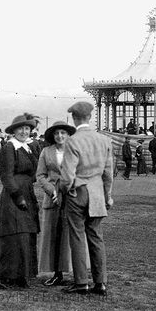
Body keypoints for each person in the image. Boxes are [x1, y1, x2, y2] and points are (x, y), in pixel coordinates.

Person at [59, 101, 113, 296]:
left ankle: (81, 282)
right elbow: (108, 173)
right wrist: (107, 195)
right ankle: (101, 283)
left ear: (74, 118)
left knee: (77, 237)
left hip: (78, 192)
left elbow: (67, 176)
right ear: (90, 117)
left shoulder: (72, 141)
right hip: (97, 193)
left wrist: (66, 190)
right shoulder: (104, 140)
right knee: (96, 237)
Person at [0, 114, 41, 289]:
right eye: (20, 128)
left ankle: (22, 274)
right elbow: (6, 175)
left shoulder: (27, 148)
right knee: (13, 235)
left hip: (27, 193)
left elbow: (34, 172)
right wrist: (18, 197)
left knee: (26, 234)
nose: (24, 131)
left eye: (27, 128)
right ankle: (7, 276)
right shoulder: (9, 147)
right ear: (13, 131)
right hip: (13, 197)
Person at [35, 120, 77, 287]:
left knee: (71, 235)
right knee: (53, 236)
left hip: (71, 198)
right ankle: (56, 273)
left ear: (68, 135)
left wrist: (67, 189)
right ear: (53, 136)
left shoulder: (74, 151)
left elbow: (80, 173)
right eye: (56, 133)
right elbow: (40, 175)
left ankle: (75, 272)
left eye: (63, 133)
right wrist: (52, 190)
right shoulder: (46, 151)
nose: (60, 136)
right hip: (51, 200)